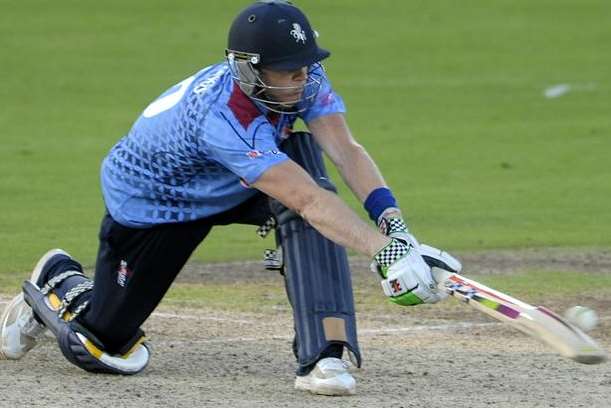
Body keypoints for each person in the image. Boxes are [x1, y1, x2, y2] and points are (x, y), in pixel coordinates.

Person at [0, 0, 461, 396]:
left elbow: (346, 150)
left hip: (237, 178)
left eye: (305, 67)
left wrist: (396, 230)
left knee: (309, 179)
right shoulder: (222, 116)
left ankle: (324, 354)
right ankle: (60, 279)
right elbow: (305, 200)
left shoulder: (305, 76)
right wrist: (388, 255)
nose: (303, 80)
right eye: (289, 72)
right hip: (159, 204)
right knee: (102, 348)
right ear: (249, 69)